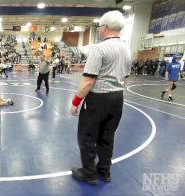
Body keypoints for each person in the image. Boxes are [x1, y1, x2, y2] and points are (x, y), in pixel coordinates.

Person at [69, 10, 131, 185]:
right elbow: (126, 77)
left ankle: (89, 173)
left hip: (98, 100)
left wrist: (75, 103)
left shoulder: (99, 49)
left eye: (99, 27)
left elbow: (88, 81)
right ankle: (104, 171)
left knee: (87, 137)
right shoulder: (127, 49)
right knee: (107, 136)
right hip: (118, 98)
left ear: (104, 27)